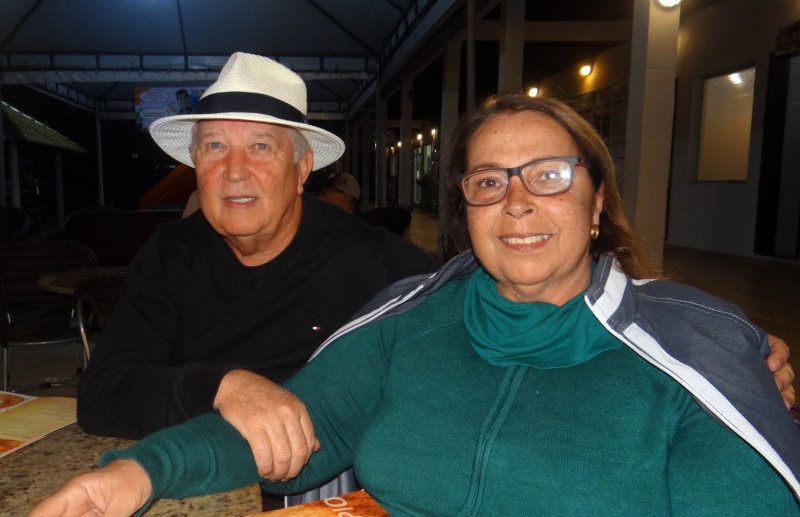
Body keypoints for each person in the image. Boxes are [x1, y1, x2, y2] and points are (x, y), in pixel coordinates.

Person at [34, 95, 799, 516]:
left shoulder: (689, 359)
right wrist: (136, 474)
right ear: (466, 208)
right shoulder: (411, 317)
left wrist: (724, 347)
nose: (518, 202)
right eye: (490, 181)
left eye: (549, 176)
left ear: (596, 202)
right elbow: (294, 424)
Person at [76, 51, 437, 468]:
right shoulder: (170, 253)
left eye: (260, 146)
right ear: (196, 165)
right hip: (196, 474)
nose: (234, 171)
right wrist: (224, 387)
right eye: (215, 146)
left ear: (301, 169)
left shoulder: (381, 263)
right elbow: (101, 395)